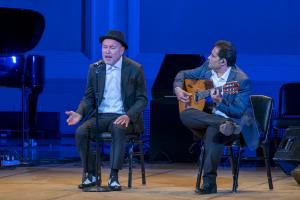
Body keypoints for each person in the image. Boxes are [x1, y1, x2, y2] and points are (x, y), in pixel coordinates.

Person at [65, 30, 148, 191]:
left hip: (125, 117)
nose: (107, 51)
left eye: (112, 47)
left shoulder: (135, 69)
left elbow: (142, 99)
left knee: (118, 128)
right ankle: (92, 173)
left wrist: (128, 115)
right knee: (81, 132)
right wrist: (79, 113)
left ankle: (114, 176)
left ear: (122, 50)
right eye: (104, 47)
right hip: (101, 116)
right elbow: (88, 97)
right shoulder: (95, 69)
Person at [174, 40, 259, 194]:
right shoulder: (207, 68)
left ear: (223, 62)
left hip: (234, 124)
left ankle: (209, 184)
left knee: (213, 135)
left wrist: (219, 103)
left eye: (212, 56)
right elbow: (182, 74)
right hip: (214, 119)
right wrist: (179, 90)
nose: (208, 58)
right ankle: (221, 123)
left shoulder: (240, 80)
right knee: (185, 114)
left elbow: (238, 112)